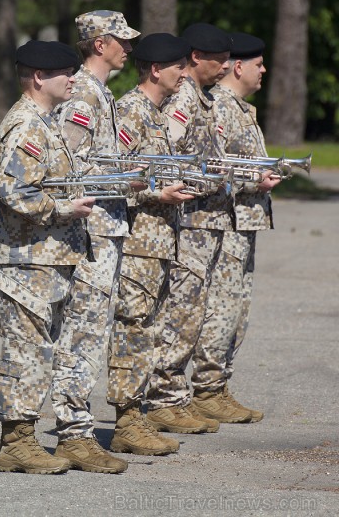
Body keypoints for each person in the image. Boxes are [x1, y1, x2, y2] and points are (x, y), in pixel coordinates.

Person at [0, 40, 96, 474]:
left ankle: (24, 438)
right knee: (24, 351)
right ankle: (15, 443)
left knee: (39, 350)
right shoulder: (26, 126)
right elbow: (13, 191)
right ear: (38, 77)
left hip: (47, 258)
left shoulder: (46, 122)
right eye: (65, 73)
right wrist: (63, 208)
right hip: (26, 259)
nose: (73, 79)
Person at [50, 10, 141, 474]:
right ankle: (73, 433)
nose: (128, 48)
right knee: (81, 333)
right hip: (91, 232)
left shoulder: (98, 92)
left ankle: (78, 428)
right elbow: (70, 165)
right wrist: (127, 178)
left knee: (92, 330)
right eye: (121, 40)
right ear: (99, 44)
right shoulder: (83, 92)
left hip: (107, 228)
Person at [106, 32, 197, 456]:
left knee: (147, 330)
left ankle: (137, 414)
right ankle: (126, 421)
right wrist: (156, 195)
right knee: (132, 329)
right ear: (156, 69)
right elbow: (112, 178)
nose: (185, 73)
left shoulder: (157, 113)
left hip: (159, 243)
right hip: (139, 243)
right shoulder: (130, 112)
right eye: (179, 66)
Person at [145, 23, 237, 431]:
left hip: (204, 222)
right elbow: (169, 155)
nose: (226, 66)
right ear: (197, 57)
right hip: (188, 222)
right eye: (219, 59)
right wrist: (200, 179)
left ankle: (176, 395)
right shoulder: (182, 97)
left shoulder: (203, 97)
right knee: (179, 313)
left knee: (192, 313)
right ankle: (164, 397)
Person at [190, 32, 281, 422]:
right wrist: (253, 180)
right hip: (224, 222)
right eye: (259, 64)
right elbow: (211, 167)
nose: (264, 71)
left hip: (243, 221)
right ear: (239, 67)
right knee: (222, 309)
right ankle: (206, 389)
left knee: (237, 309)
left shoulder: (241, 108)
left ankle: (218, 384)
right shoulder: (221, 108)